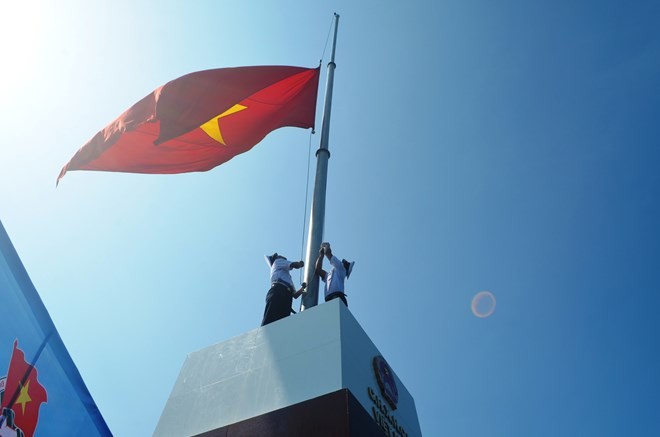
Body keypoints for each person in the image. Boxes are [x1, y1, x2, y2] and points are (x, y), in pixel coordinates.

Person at [261, 253, 306, 326]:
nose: (281, 256)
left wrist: (302, 288)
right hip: (278, 291)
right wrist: (300, 264)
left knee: (282, 323)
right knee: (270, 320)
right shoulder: (278, 261)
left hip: (285, 295)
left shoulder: (286, 277)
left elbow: (295, 295)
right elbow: (295, 265)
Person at [315, 242, 354, 307]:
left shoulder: (342, 269)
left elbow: (328, 253)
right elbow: (318, 270)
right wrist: (321, 256)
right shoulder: (330, 275)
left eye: (346, 263)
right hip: (329, 300)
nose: (343, 262)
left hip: (337, 298)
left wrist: (327, 245)